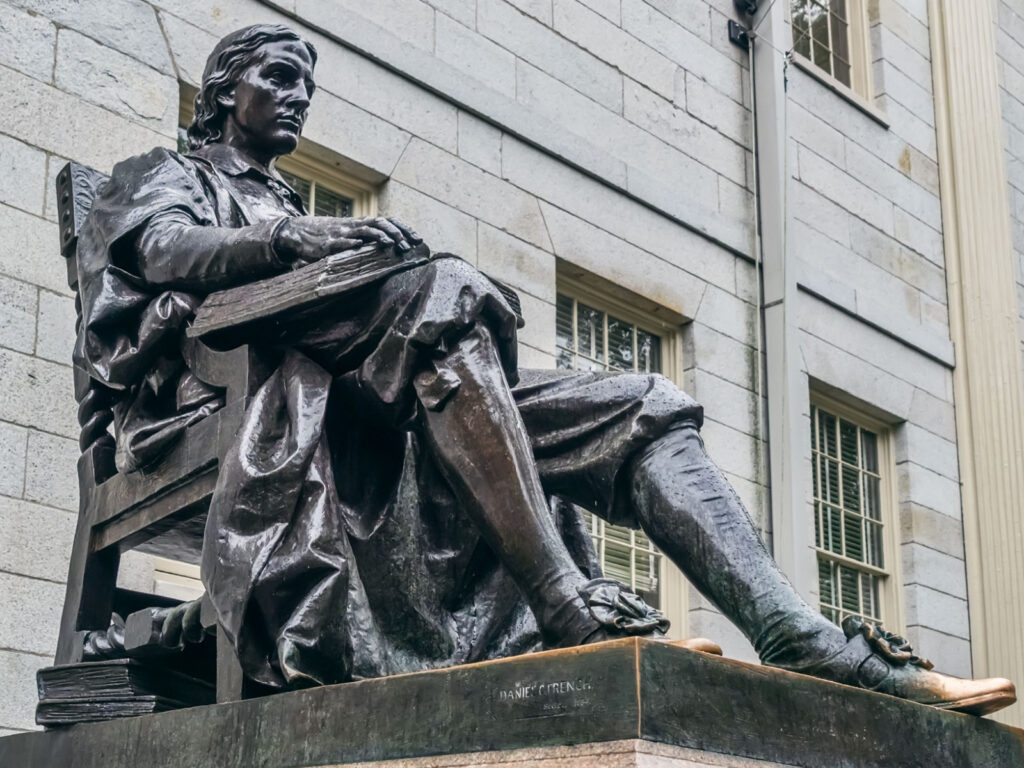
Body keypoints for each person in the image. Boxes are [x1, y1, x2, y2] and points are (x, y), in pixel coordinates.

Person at [74, 23, 1014, 715]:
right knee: (441, 289)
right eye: (277, 78)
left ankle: (797, 635)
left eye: (306, 85)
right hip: (241, 403)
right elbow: (159, 252)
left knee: (642, 403)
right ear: (223, 89)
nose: (298, 96)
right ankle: (563, 603)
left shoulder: (299, 207)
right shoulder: (165, 169)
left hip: (385, 399)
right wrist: (297, 237)